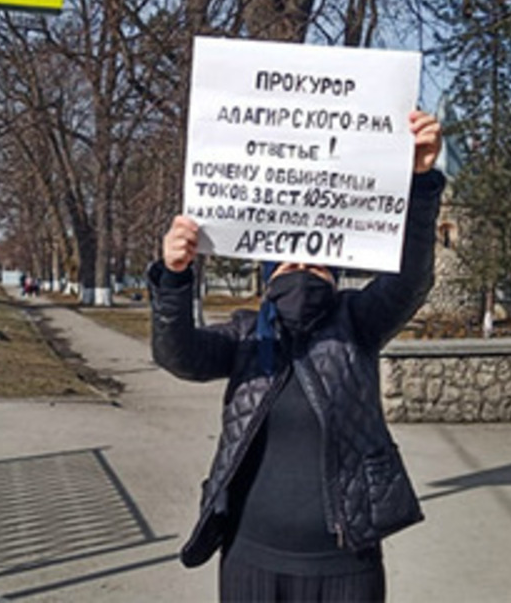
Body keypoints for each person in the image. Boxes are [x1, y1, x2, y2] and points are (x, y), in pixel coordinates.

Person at [147, 110, 444, 602]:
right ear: (267, 276)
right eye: (288, 261)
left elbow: (410, 281)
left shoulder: (359, 324)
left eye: (316, 261)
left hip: (346, 565)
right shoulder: (247, 335)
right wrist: (175, 277)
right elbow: (179, 355)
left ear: (336, 271)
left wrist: (421, 184)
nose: (302, 269)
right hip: (251, 561)